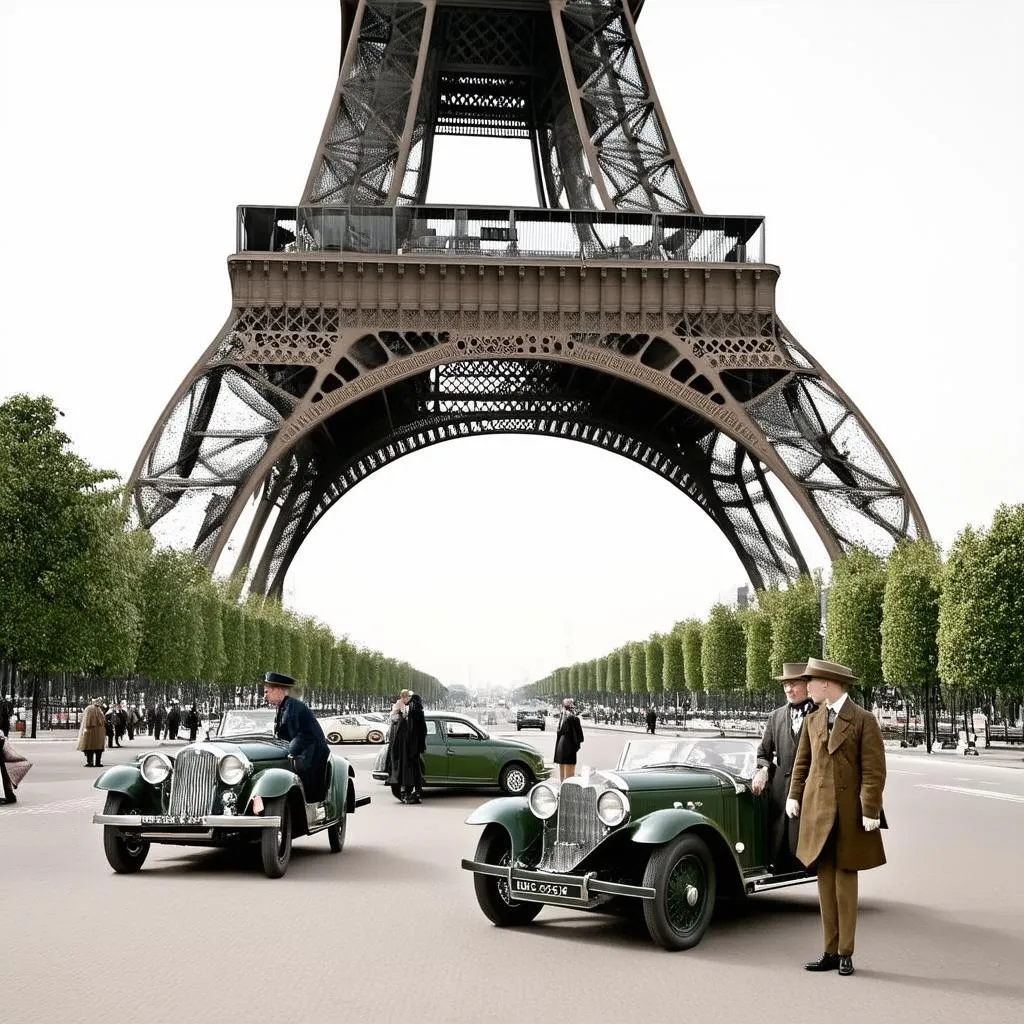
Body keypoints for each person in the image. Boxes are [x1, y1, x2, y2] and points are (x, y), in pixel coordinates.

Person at [787, 657, 887, 978]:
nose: (806, 687)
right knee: (824, 883)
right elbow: (802, 764)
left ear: (827, 684)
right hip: (818, 812)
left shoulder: (862, 720)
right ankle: (829, 950)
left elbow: (873, 771)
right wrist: (793, 795)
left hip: (848, 813)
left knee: (845, 882)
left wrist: (870, 808)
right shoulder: (812, 720)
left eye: (810, 682)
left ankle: (846, 952)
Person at [751, 662, 815, 874]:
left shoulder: (822, 714)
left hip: (811, 787)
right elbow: (763, 753)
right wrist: (762, 770)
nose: (788, 689)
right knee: (781, 839)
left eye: (794, 684)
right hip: (781, 789)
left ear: (807, 685)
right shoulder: (775, 716)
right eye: (785, 685)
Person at [264, 671, 331, 801]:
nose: (265, 695)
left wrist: (289, 752)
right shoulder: (284, 707)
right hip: (305, 749)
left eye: (267, 692)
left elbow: (299, 735)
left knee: (301, 779)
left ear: (278, 690)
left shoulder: (292, 708)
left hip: (311, 752)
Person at [402, 693, 427, 804]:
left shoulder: (412, 711)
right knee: (416, 770)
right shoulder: (419, 711)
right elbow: (423, 730)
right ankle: (417, 791)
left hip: (411, 745)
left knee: (410, 770)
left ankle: (409, 792)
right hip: (416, 746)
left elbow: (410, 731)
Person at [554, 698, 584, 781]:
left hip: (561, 745)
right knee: (570, 773)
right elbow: (580, 736)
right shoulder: (574, 719)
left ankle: (562, 787)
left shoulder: (562, 718)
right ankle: (568, 789)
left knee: (562, 770)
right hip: (570, 746)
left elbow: (559, 731)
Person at [77, 698, 107, 767]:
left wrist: (84, 729)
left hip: (90, 731)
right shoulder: (100, 710)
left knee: (89, 748)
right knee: (99, 748)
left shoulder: (88, 708)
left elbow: (86, 720)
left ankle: (90, 762)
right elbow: (103, 720)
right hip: (99, 732)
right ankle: (98, 762)